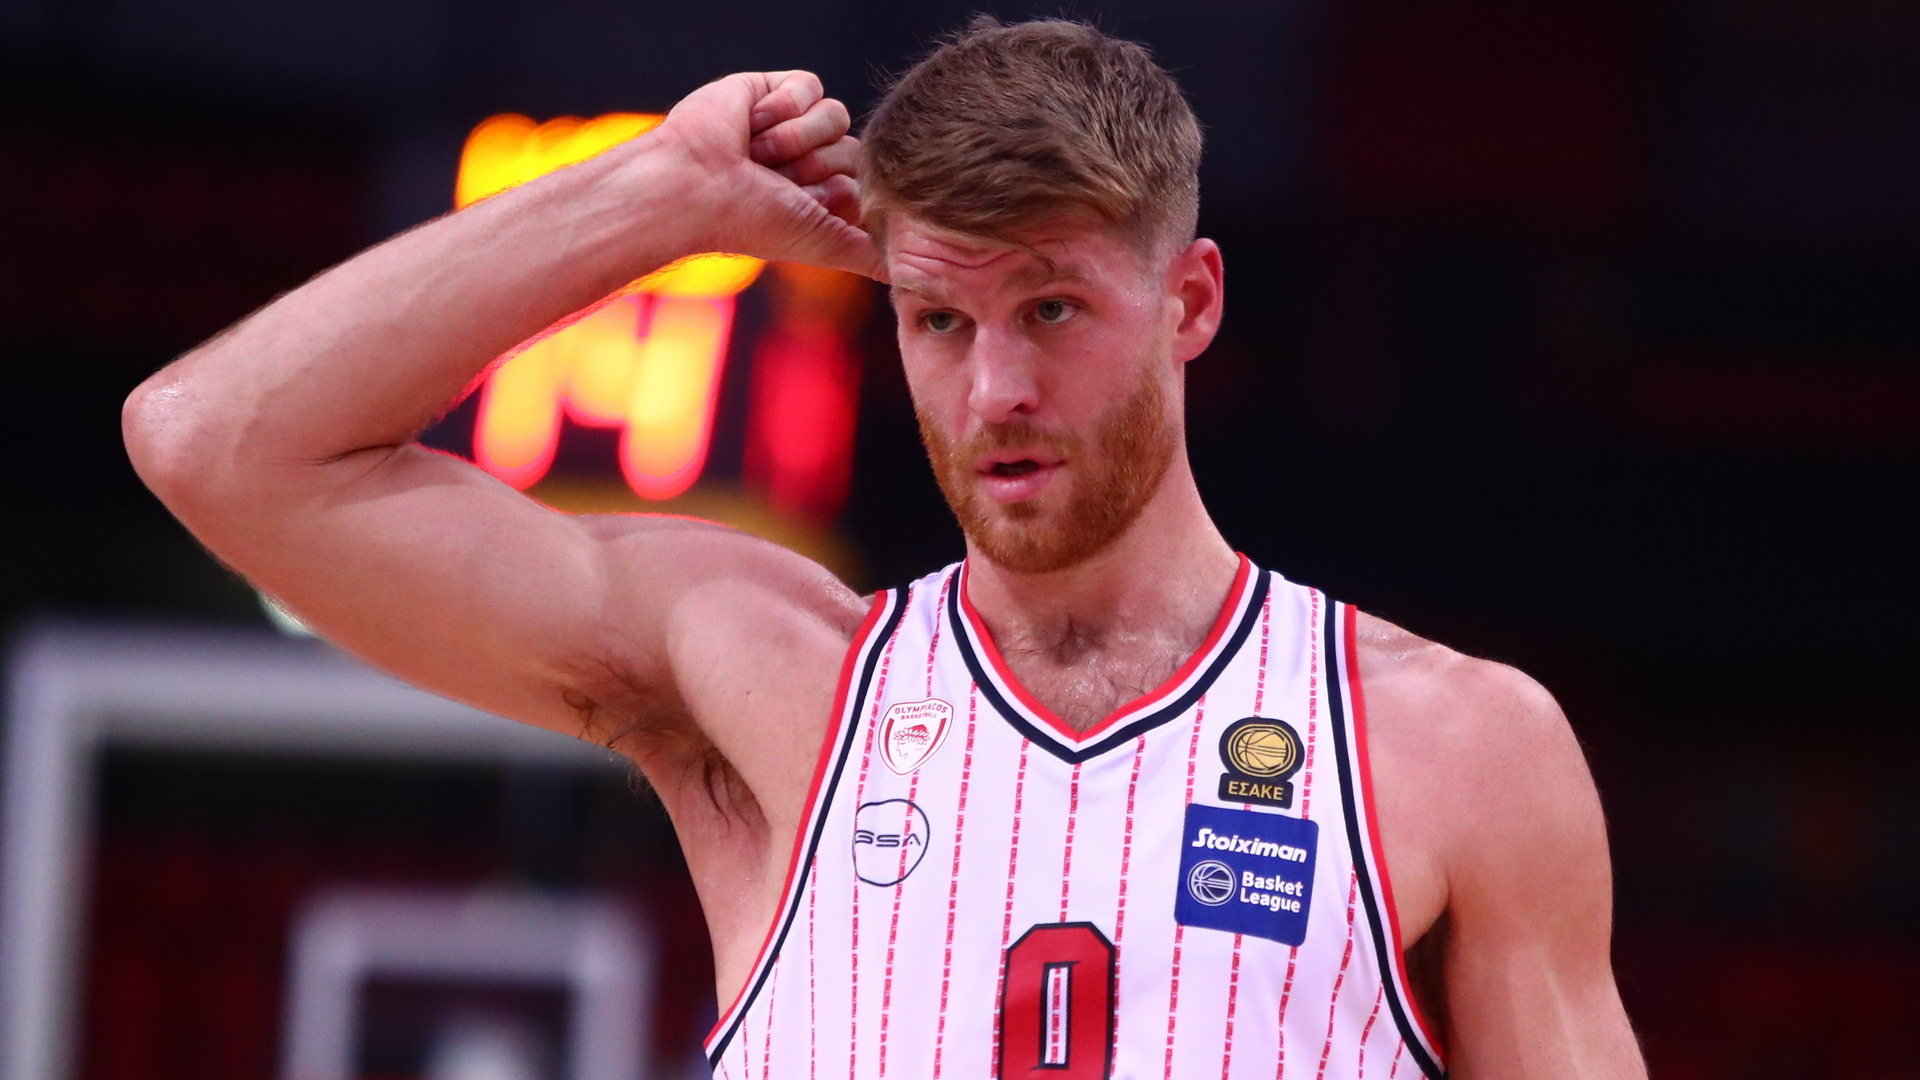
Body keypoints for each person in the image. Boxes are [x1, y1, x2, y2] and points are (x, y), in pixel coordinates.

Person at [124, 18, 1645, 1080]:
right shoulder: (771, 676)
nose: (996, 390)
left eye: (1052, 308)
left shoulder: (1454, 746)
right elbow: (214, 444)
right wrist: (656, 198)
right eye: (939, 320)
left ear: (1189, 302)